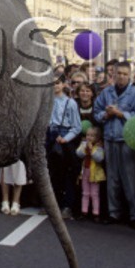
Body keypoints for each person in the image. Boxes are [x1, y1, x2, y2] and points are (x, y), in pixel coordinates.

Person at [95, 61, 135, 228]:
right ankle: (113, 212)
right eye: (119, 73)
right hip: (110, 138)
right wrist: (106, 115)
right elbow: (97, 112)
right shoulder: (106, 92)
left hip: (127, 140)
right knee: (112, 178)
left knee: (129, 179)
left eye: (125, 73)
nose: (121, 76)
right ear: (113, 74)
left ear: (129, 75)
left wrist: (121, 113)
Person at [46, 73, 82, 219]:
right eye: (52, 83)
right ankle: (52, 205)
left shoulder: (70, 103)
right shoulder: (46, 101)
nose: (55, 85)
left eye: (57, 83)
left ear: (63, 85)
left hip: (64, 137)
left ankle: (67, 206)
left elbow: (77, 126)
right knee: (51, 173)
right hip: (50, 136)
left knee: (67, 174)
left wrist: (65, 139)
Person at [75, 126, 106, 222]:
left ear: (97, 138)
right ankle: (84, 212)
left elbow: (100, 158)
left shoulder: (99, 147)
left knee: (94, 194)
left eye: (92, 136)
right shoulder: (84, 144)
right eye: (88, 135)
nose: (89, 137)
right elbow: (78, 153)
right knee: (85, 193)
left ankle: (95, 213)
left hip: (95, 174)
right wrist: (85, 148)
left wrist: (92, 150)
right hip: (85, 172)